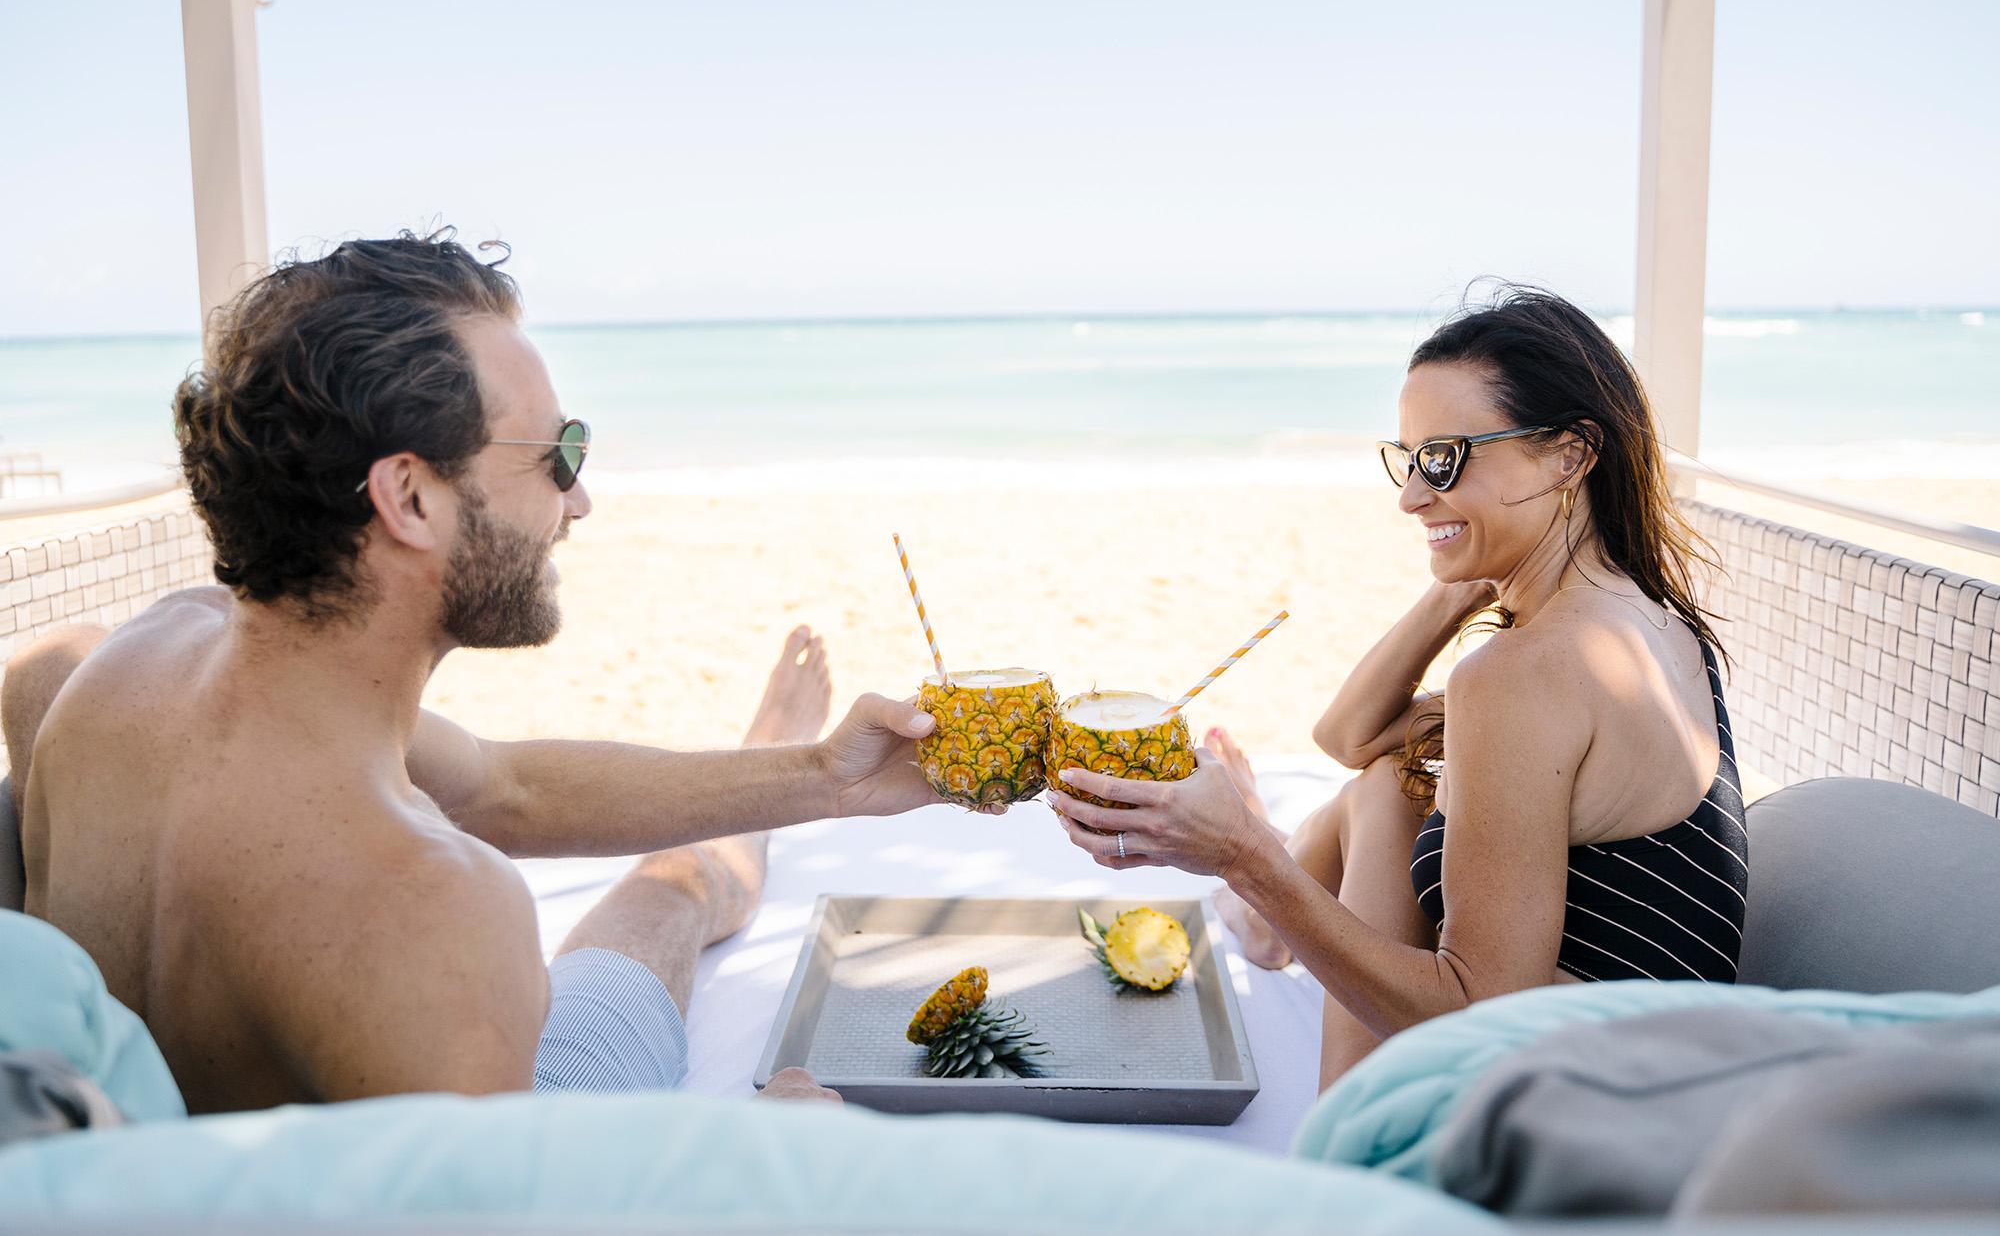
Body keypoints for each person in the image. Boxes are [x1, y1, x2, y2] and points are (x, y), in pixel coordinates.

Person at [4, 231, 952, 1113]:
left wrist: (828, 777)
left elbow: (506, 787)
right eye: (558, 452)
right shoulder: (438, 912)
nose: (580, 498)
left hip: (211, 1163)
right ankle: (713, 868)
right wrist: (759, 1156)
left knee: (676, 869)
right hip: (498, 1131)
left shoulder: (90, 683)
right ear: (409, 496)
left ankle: (772, 762)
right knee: (675, 893)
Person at [1047, 287, 1748, 1090]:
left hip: (1583, 1110)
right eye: (1409, 458)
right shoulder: (1648, 618)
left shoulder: (1527, 673)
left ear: (1571, 454)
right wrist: (1470, 579)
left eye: (1445, 458)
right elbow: (1348, 737)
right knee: (1387, 780)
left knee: (1377, 791)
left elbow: (1480, 1010)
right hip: (1662, 1065)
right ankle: (1258, 921)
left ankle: (1257, 906)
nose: (1412, 496)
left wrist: (1242, 854)